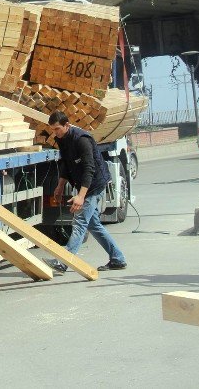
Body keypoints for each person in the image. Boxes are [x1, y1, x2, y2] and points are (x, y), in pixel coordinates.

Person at [45, 111, 128, 274]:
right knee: (94, 225)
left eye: (57, 129)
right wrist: (60, 185)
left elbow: (89, 169)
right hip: (82, 183)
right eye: (53, 130)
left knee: (80, 222)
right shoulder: (62, 139)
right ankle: (118, 258)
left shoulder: (82, 140)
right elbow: (66, 164)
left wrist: (81, 196)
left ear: (67, 125)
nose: (55, 133)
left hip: (94, 184)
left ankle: (63, 262)